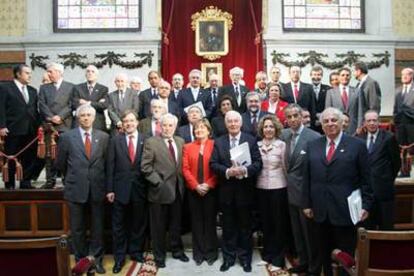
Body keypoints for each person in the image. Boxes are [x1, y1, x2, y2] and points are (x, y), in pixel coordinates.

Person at [302, 107, 373, 276]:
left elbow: (367, 180)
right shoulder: (312, 145)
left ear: (342, 123)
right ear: (321, 125)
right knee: (324, 253)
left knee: (345, 256)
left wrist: (367, 206)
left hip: (346, 211)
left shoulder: (357, 145)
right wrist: (306, 204)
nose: (330, 124)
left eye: (334, 120)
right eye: (326, 121)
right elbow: (307, 178)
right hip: (319, 211)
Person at [55, 104, 110, 274]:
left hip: (97, 189)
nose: (86, 117)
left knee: (97, 227)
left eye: (89, 115)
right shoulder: (66, 137)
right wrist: (73, 177)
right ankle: (80, 261)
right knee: (77, 228)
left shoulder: (104, 137)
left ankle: (96, 260)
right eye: (83, 115)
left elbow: (107, 164)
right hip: (75, 188)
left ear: (94, 118)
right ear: (78, 118)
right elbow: (61, 164)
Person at [210, 110, 263, 273]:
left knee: (245, 228)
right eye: (229, 121)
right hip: (226, 193)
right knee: (228, 228)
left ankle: (245, 259)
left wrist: (244, 170)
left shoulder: (251, 140)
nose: (233, 124)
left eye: (235, 121)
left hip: (245, 192)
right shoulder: (218, 142)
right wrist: (227, 171)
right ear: (225, 124)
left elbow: (258, 163)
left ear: (240, 123)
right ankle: (228, 258)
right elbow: (213, 164)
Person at [141, 113, 189, 268]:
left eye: (171, 125)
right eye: (165, 125)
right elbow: (145, 167)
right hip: (159, 191)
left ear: (175, 127)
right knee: (158, 227)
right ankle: (159, 256)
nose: (167, 128)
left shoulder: (181, 141)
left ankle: (177, 251)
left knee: (176, 224)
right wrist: (158, 182)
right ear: (159, 126)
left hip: (178, 190)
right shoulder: (151, 142)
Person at [280, 104, 321, 275]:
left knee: (309, 234)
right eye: (289, 117)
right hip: (289, 193)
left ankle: (314, 267)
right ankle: (303, 262)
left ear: (302, 116)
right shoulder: (284, 135)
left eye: (295, 115)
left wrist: (311, 200)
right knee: (297, 232)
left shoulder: (314, 137)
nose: (292, 119)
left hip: (306, 196)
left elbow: (317, 170)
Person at [106, 110, 148, 273]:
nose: (129, 124)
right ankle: (119, 258)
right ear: (122, 124)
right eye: (126, 121)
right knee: (119, 227)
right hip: (119, 190)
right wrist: (109, 189)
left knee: (138, 224)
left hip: (140, 190)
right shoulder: (115, 141)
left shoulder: (146, 140)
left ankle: (136, 252)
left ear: (137, 123)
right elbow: (110, 166)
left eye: (131, 121)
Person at [256, 114, 290, 273]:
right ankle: (268, 255)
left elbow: (286, 168)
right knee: (266, 223)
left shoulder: (282, 145)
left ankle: (278, 258)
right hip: (261, 188)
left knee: (278, 224)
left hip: (279, 188)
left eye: (271, 126)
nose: (268, 129)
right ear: (261, 129)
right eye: (265, 127)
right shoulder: (256, 145)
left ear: (275, 128)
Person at [182, 119, 218, 265]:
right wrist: (196, 186)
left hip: (211, 189)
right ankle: (198, 253)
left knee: (210, 221)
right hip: (194, 190)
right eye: (196, 128)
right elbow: (185, 169)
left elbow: (218, 166)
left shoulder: (215, 145)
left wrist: (208, 185)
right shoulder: (187, 147)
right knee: (196, 222)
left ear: (208, 130)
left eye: (202, 127)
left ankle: (211, 252)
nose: (199, 130)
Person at [357, 110, 400, 230]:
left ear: (379, 122)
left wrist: (386, 179)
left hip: (384, 191)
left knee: (386, 226)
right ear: (364, 123)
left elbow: (396, 163)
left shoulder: (389, 138)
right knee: (367, 228)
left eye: (374, 120)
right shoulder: (359, 139)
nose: (372, 123)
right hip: (366, 194)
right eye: (369, 121)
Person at [0, 64, 39, 189]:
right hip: (12, 129)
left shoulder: (33, 90)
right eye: (27, 73)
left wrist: (39, 125)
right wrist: (2, 126)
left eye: (30, 73)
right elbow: (0, 108)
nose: (30, 76)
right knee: (11, 157)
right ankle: (10, 183)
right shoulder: (5, 88)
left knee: (29, 157)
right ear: (18, 74)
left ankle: (25, 182)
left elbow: (34, 110)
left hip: (31, 130)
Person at [38, 62, 74, 188]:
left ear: (59, 72)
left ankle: (66, 179)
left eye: (50, 72)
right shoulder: (44, 88)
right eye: (48, 72)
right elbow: (41, 104)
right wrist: (52, 117)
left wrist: (60, 116)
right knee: (49, 155)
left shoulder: (71, 87)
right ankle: (50, 180)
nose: (48, 74)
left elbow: (71, 105)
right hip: (49, 126)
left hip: (65, 125)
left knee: (66, 153)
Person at [72, 65, 109, 132]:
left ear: (97, 75)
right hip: (80, 123)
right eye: (88, 71)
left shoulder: (103, 89)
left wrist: (87, 103)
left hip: (97, 123)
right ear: (85, 74)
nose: (90, 73)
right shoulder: (77, 88)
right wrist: (97, 103)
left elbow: (104, 105)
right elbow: (74, 104)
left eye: (92, 71)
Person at [325, 68, 358, 135]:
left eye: (347, 75)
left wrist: (360, 126)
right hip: (335, 127)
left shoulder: (357, 91)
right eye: (342, 75)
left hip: (354, 128)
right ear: (339, 77)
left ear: (350, 77)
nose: (345, 77)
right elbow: (328, 112)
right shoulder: (330, 93)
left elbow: (360, 110)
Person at [353, 61, 382, 128]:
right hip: (359, 121)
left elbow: (374, 104)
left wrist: (369, 121)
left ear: (359, 71)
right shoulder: (359, 84)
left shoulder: (371, 83)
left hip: (367, 122)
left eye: (354, 71)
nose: (353, 74)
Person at [393, 67, 414, 150]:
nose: (404, 76)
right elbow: (395, 107)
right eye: (402, 75)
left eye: (407, 74)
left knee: (412, 150)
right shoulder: (397, 90)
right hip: (399, 125)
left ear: (412, 76)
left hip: (412, 124)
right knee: (400, 150)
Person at [310, 66, 331, 133]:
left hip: (325, 122)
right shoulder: (306, 88)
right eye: (314, 74)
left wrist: (321, 118)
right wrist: (314, 118)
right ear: (310, 75)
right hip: (310, 122)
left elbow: (329, 105)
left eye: (318, 75)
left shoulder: (328, 89)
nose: (316, 77)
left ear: (322, 76)